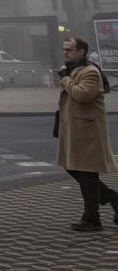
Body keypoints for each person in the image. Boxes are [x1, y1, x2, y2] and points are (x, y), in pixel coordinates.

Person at [57, 35, 118, 231]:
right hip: (76, 131)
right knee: (74, 168)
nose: (65, 53)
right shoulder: (75, 70)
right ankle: (111, 200)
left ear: (81, 52)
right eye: (65, 50)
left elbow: (83, 95)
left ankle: (92, 218)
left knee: (87, 175)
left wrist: (65, 79)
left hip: (88, 133)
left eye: (69, 50)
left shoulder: (90, 72)